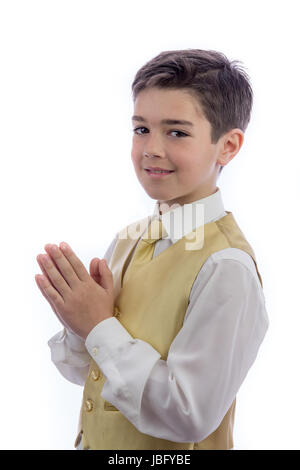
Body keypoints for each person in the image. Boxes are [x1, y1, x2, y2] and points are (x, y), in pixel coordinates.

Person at [35, 49, 269, 450]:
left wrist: (97, 326)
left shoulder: (226, 267)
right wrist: (80, 323)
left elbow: (187, 415)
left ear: (227, 146)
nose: (151, 149)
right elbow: (85, 374)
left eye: (176, 132)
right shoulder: (129, 240)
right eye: (141, 128)